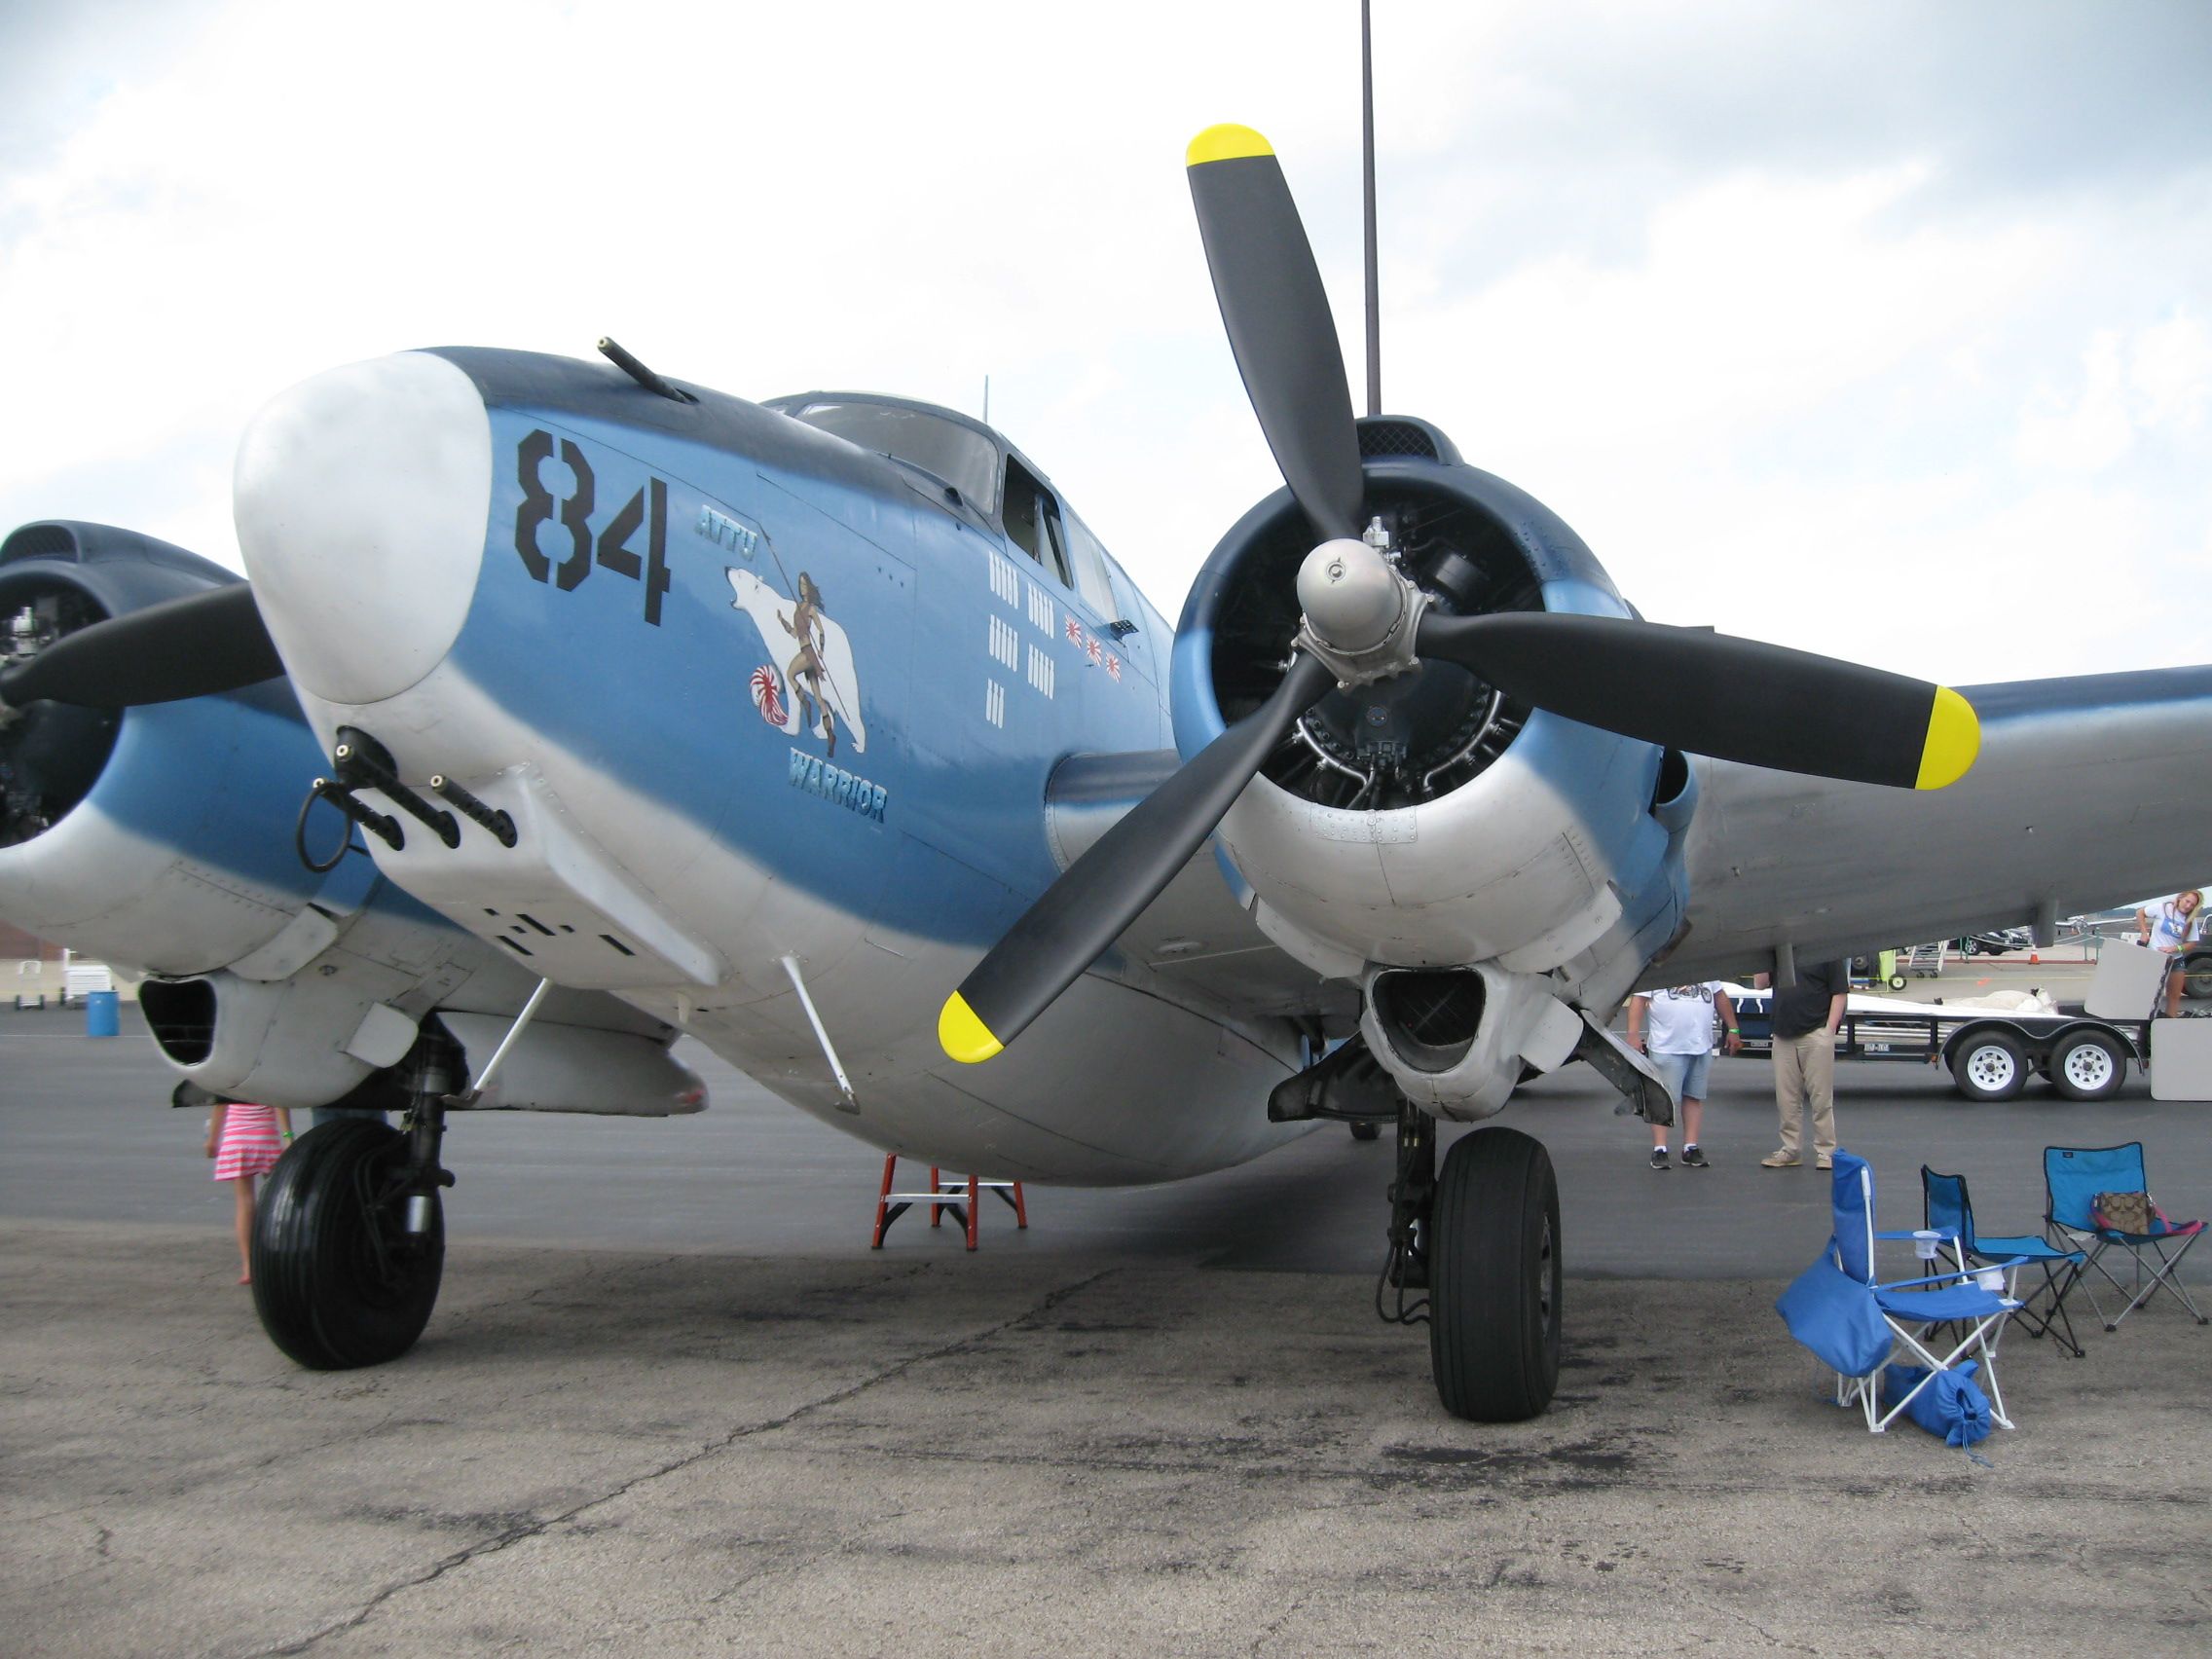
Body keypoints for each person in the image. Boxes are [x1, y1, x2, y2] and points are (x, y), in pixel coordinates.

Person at [1626, 982, 1742, 1170]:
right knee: (1662, 1098)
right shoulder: (1659, 967)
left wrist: (1733, 1029)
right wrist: (1633, 1034)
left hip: (1700, 1044)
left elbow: (1720, 996)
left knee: (1694, 1097)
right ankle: (1660, 1148)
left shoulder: (1707, 968)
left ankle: (1690, 1147)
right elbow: (1639, 999)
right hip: (1667, 1046)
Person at [1760, 959, 1848, 1170]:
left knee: (1820, 1096)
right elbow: (1760, 983)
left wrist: (1829, 1030)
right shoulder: (1778, 952)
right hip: (1783, 1033)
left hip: (1815, 1031)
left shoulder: (1826, 951)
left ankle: (1826, 1151)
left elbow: (1840, 992)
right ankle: (1791, 1149)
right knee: (1786, 1098)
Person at [205, 1098, 293, 1284]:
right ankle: (278, 1256)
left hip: (236, 1141)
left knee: (244, 1203)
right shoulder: (264, 1074)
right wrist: (288, 1136)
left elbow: (220, 1105)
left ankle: (249, 1266)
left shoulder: (230, 1076)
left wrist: (212, 1140)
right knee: (277, 1200)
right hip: (264, 1138)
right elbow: (279, 1101)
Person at [2145, 889, 2204, 1016]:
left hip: (2175, 961)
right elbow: (2140, 912)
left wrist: (2176, 948)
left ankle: (2169, 1024)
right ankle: (2145, 1023)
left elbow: (2192, 942)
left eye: (2192, 905)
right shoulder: (2162, 908)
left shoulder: (2190, 919)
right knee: (2150, 995)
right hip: (2155, 958)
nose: (2188, 906)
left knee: (2174, 997)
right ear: (2180, 898)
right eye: (2187, 901)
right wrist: (2144, 933)